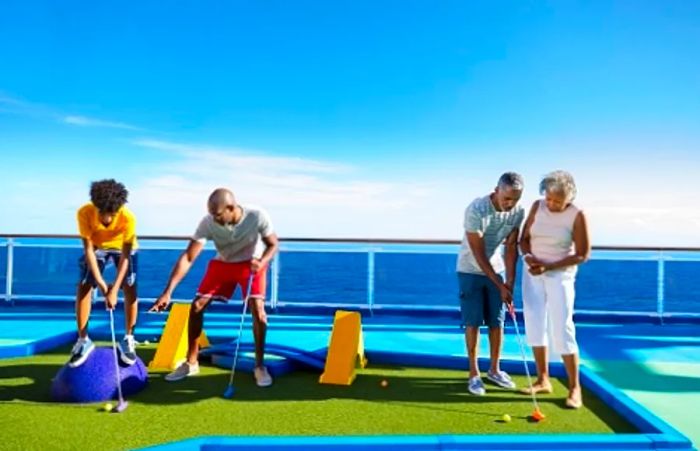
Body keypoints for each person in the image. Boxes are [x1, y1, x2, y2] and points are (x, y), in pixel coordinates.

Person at [150, 188, 279, 387]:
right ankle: (191, 362)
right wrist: (168, 291)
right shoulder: (208, 222)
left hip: (252, 264)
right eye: (212, 214)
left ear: (231, 208)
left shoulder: (257, 215)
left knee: (259, 312)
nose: (214, 219)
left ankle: (259, 366)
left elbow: (272, 245)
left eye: (218, 215)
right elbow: (189, 256)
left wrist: (262, 262)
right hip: (223, 264)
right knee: (196, 306)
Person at [519, 170, 591, 409]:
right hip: (533, 274)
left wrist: (549, 266)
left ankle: (574, 388)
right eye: (549, 198)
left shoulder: (577, 215)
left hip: (560, 276)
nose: (551, 204)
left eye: (557, 201)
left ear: (569, 198)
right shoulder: (536, 207)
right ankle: (543, 380)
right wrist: (529, 258)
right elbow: (523, 239)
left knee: (562, 328)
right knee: (535, 323)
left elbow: (582, 254)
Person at [457, 172, 525, 395]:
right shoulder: (476, 209)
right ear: (496, 190)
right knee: (473, 322)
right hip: (470, 269)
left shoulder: (518, 212)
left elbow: (512, 247)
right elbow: (478, 253)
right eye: (506, 198)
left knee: (498, 321)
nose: (510, 204)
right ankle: (474, 374)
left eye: (515, 199)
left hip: (497, 269)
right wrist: (500, 284)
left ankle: (494, 370)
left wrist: (510, 283)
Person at [69, 179, 139, 367]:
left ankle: (128, 339)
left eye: (112, 214)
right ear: (95, 205)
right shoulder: (84, 212)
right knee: (84, 285)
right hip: (97, 248)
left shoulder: (128, 217)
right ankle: (84, 339)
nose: (107, 219)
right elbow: (89, 250)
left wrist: (114, 290)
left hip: (122, 249)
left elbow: (125, 255)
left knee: (130, 285)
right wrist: (100, 284)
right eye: (103, 213)